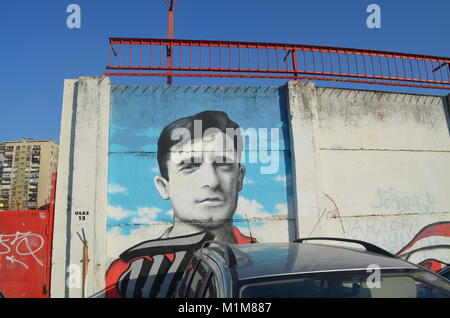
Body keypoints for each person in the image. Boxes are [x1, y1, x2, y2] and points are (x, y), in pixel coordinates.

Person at [105, 110, 256, 298]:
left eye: (223, 163)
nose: (211, 181)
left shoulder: (261, 256)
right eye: (190, 166)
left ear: (240, 178)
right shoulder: (128, 271)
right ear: (163, 187)